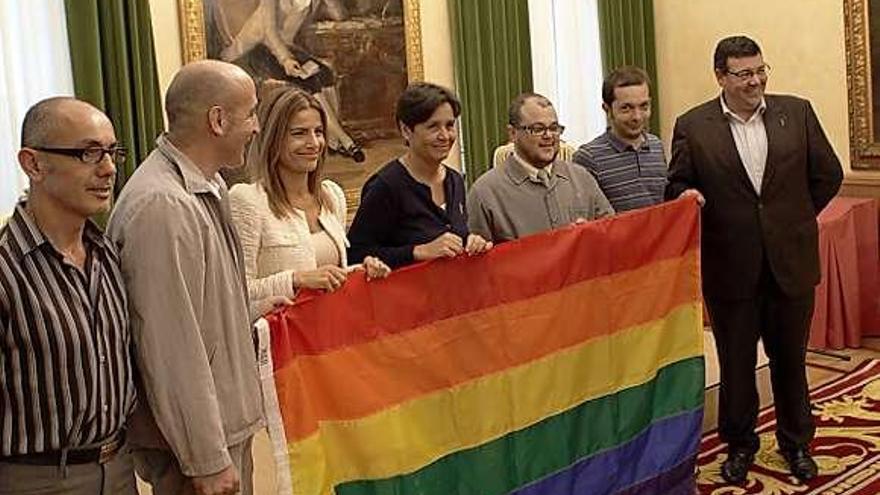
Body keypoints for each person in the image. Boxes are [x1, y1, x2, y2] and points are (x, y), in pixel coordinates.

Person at [665, 36, 843, 485]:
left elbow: (829, 174)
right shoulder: (693, 125)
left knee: (791, 361)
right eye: (744, 73)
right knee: (737, 364)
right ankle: (739, 445)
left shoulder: (796, 112)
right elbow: (678, 186)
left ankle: (797, 443)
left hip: (791, 263)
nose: (756, 80)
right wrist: (686, 195)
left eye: (761, 70)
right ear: (720, 77)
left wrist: (794, 221)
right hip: (730, 268)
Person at [107, 60, 269, 495]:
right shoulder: (163, 205)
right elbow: (169, 345)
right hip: (197, 450)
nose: (256, 126)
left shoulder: (204, 188)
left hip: (218, 429)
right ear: (217, 120)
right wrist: (206, 458)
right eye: (250, 112)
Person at [0, 97, 136, 494]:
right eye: (88, 153)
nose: (108, 169)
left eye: (112, 153)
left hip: (119, 469)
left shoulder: (107, 253)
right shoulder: (7, 268)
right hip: (35, 479)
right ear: (33, 164)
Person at [230, 84, 389, 300]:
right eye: (299, 133)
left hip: (330, 329)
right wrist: (295, 279)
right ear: (273, 139)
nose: (314, 143)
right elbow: (235, 295)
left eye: (319, 132)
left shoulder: (332, 195)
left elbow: (327, 278)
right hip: (281, 332)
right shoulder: (247, 200)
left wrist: (359, 271)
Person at [347, 82, 492, 267]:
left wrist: (472, 241)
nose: (445, 136)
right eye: (433, 127)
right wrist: (416, 252)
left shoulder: (455, 180)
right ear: (406, 130)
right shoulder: (385, 186)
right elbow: (355, 254)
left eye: (450, 125)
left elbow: (454, 239)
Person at [218, 0, 365, 162]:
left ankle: (333, 140)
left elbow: (339, 16)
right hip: (254, 51)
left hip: (284, 48)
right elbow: (270, 33)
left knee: (325, 74)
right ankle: (346, 141)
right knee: (309, 82)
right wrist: (286, 59)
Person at [466, 92, 614, 243]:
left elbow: (612, 234)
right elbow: (478, 261)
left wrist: (593, 233)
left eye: (554, 128)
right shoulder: (485, 192)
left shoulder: (581, 178)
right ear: (512, 133)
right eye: (537, 129)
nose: (549, 135)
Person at [572, 66, 667, 212]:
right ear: (607, 109)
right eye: (626, 108)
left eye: (644, 106)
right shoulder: (588, 157)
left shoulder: (656, 146)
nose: (637, 116)